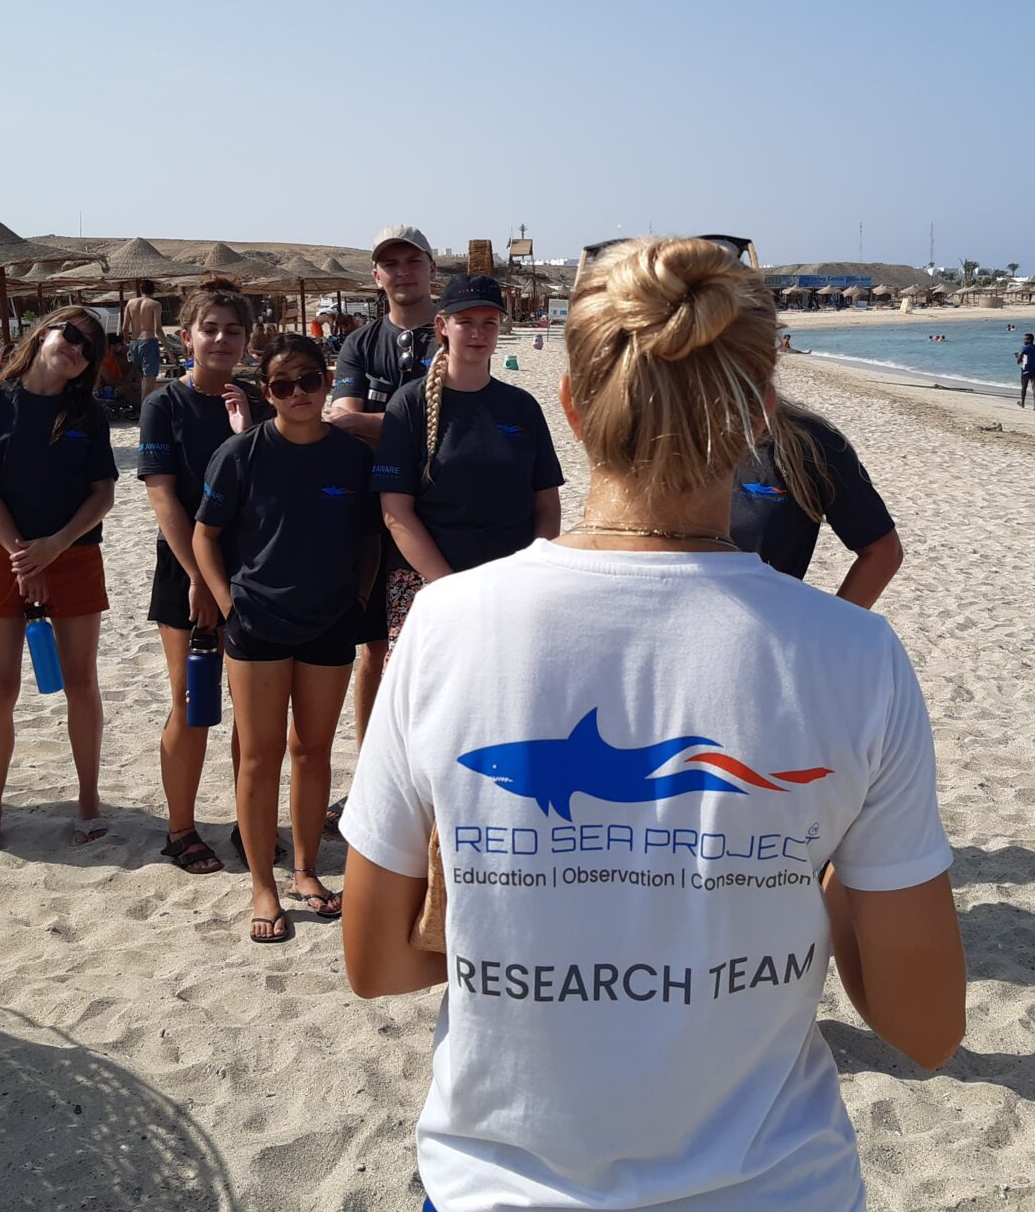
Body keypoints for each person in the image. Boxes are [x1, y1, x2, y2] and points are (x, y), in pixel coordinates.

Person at [339, 236, 965, 1212]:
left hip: (498, 1188)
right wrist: (814, 877)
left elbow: (375, 962)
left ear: (575, 412)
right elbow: (922, 1027)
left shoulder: (443, 629)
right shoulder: (854, 657)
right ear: (759, 414)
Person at [193, 333, 379, 942]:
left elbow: (373, 538)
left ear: (327, 381)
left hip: (330, 622)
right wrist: (227, 605)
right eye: (282, 384)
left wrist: (355, 600)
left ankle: (303, 870)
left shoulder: (352, 457)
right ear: (265, 391)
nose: (298, 393)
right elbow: (205, 536)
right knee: (258, 753)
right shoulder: (242, 454)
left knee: (313, 751)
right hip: (257, 624)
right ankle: (262, 885)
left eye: (309, 380)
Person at [0, 306, 118, 856]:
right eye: (69, 333)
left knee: (80, 681)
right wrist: (26, 558)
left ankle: (89, 801)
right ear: (43, 331)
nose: (75, 347)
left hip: (71, 553)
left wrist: (54, 548)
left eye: (88, 348)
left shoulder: (86, 414)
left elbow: (103, 495)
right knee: (0, 688)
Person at [138, 280, 260, 874]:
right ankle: (180, 827)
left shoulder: (258, 400)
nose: (220, 339)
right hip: (184, 569)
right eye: (208, 328)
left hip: (256, 572)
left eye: (232, 330)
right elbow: (164, 500)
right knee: (189, 700)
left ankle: (249, 821)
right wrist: (200, 578)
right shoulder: (165, 404)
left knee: (251, 707)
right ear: (186, 336)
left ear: (246, 340)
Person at [372, 273, 563, 643]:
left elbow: (547, 504)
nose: (478, 333)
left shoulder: (521, 407)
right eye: (466, 322)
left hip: (510, 584)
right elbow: (396, 513)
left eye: (488, 323)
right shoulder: (409, 405)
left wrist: (532, 573)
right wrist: (453, 588)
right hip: (429, 586)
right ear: (443, 325)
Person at [321, 225, 439, 822]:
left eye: (412, 260)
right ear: (377, 276)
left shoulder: (453, 330)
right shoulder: (361, 343)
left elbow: (465, 414)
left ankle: (432, 775)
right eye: (390, 263)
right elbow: (341, 417)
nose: (402, 272)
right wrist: (417, 421)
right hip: (371, 512)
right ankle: (374, 774)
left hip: (444, 513)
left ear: (429, 268)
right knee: (374, 652)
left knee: (440, 652)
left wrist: (381, 419)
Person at [733, 396, 901, 608]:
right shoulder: (680, 438)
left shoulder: (808, 442)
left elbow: (883, 552)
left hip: (769, 632)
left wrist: (830, 632)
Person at [124, 280, 165, 403]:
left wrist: (127, 343)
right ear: (153, 290)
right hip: (149, 341)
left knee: (141, 378)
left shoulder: (130, 303)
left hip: (134, 342)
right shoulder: (155, 304)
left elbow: (124, 328)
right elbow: (158, 329)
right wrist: (170, 350)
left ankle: (142, 408)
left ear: (141, 290)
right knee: (149, 379)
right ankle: (145, 410)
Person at [1017, 331, 1035, 409]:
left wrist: (1018, 357)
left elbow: (1018, 361)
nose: (1023, 340)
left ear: (1029, 340)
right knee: (1034, 387)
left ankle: (1022, 403)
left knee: (1024, 387)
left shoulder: (1024, 348)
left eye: (1025, 339)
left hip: (1026, 369)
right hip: (1034, 369)